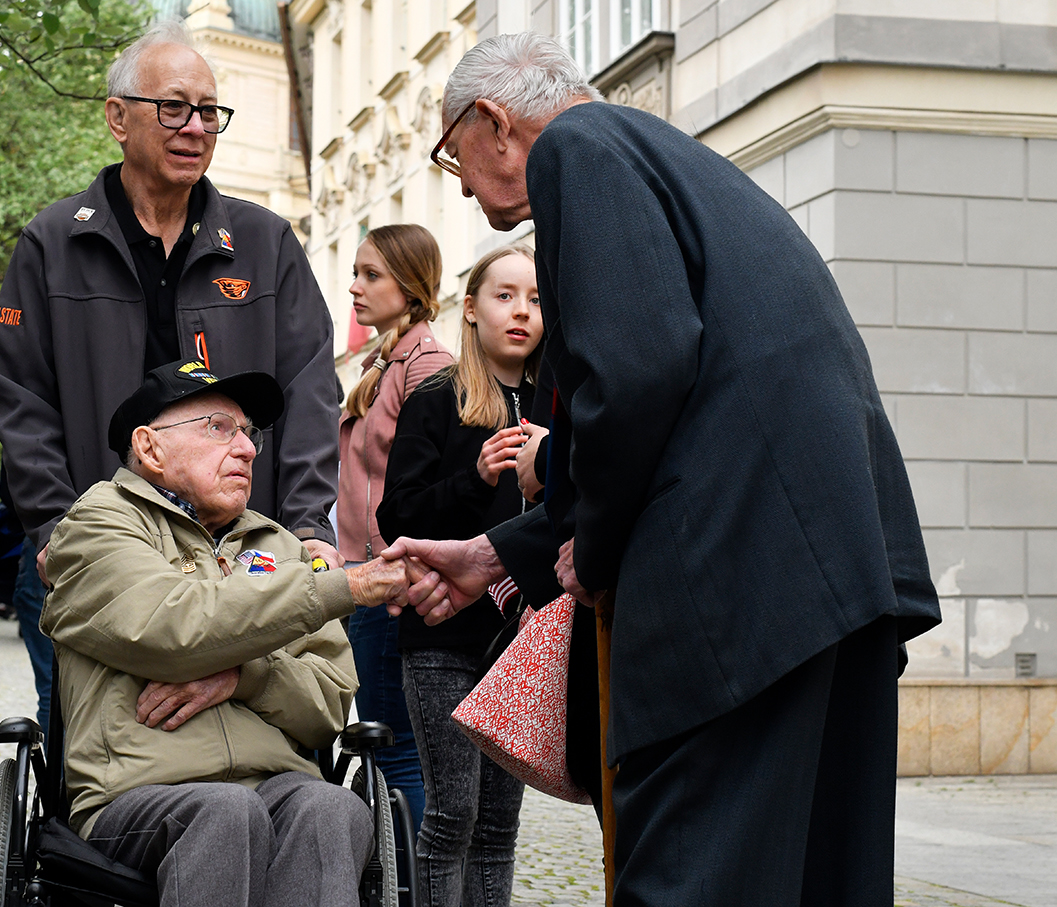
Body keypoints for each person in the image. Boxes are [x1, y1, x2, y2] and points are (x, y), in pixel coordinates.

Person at [390, 32, 943, 904]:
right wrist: (499, 554)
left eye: (451, 151)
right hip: (832, 572)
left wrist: (594, 552)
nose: (457, 180)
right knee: (816, 877)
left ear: (491, 121)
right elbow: (676, 400)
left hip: (741, 584)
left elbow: (638, 375)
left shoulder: (576, 148)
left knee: (693, 871)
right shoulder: (668, 161)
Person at [0, 18, 341, 586]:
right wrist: (55, 529)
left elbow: (311, 390)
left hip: (248, 558)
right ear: (117, 118)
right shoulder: (51, 243)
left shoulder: (265, 244)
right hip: (105, 555)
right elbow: (19, 395)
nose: (196, 128)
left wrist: (308, 526)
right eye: (173, 108)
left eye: (208, 111)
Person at [41, 358, 410, 907]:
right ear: (150, 448)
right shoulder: (97, 523)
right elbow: (171, 625)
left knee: (334, 808)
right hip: (138, 792)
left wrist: (246, 678)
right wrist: (343, 587)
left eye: (249, 433)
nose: (247, 449)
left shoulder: (280, 546)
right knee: (225, 812)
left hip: (276, 784)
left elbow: (329, 706)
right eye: (219, 428)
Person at [377, 244, 543, 907]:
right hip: (444, 638)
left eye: (534, 299)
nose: (521, 311)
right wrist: (474, 477)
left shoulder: (556, 405)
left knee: (500, 825)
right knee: (452, 815)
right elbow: (397, 518)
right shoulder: (437, 400)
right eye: (504, 295)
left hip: (524, 645)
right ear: (470, 309)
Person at [337, 223, 454, 830]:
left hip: (391, 577)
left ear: (410, 288)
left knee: (397, 749)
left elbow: (430, 485)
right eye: (355, 272)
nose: (354, 287)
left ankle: (408, 883)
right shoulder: (385, 360)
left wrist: (398, 566)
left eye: (371, 275)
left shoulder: (429, 364)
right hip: (362, 573)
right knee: (382, 741)